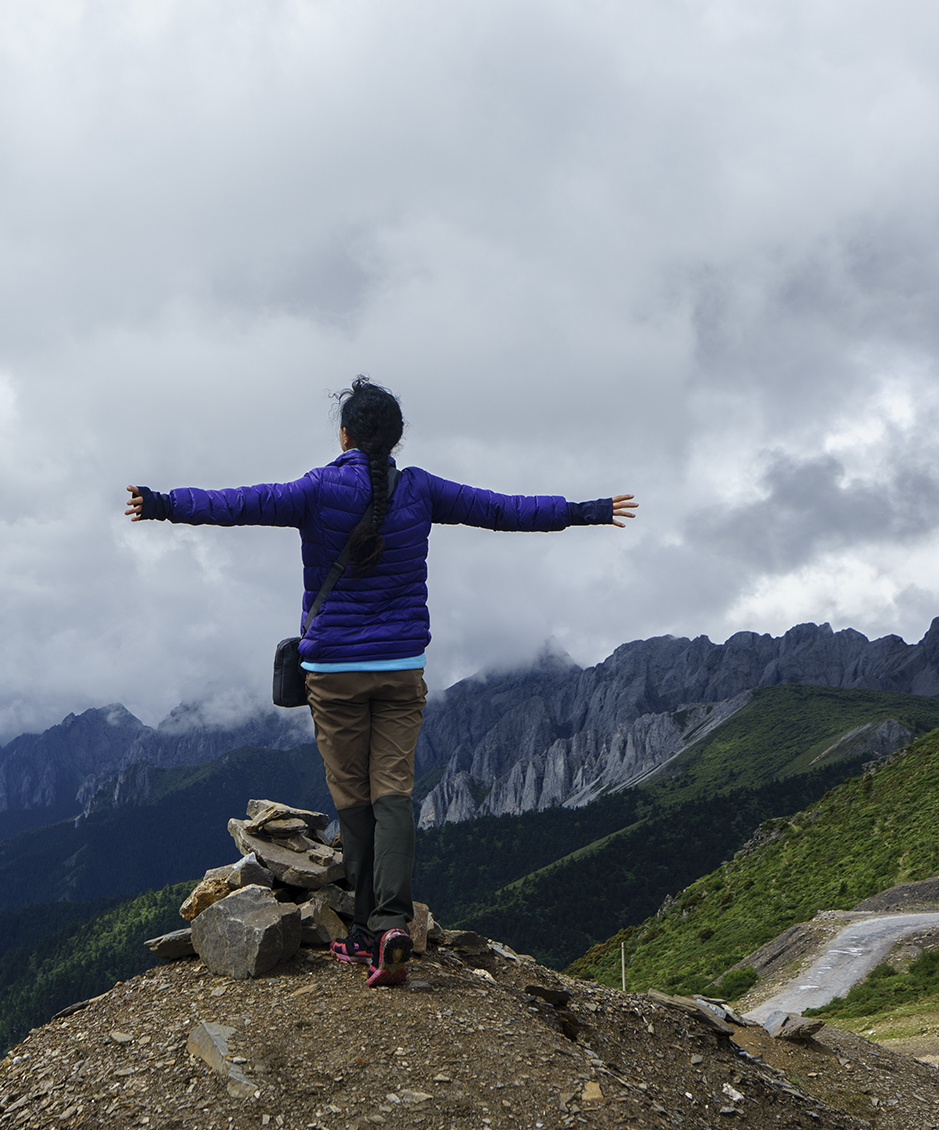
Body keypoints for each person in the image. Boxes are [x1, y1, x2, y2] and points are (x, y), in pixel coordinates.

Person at [126, 376, 637, 988]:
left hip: (334, 673)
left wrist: (160, 503)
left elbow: (238, 504)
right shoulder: (420, 490)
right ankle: (394, 920)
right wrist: (588, 511)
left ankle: (366, 927)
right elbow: (504, 510)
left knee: (353, 796)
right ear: (395, 439)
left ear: (344, 435)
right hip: (399, 668)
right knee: (393, 789)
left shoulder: (316, 489)